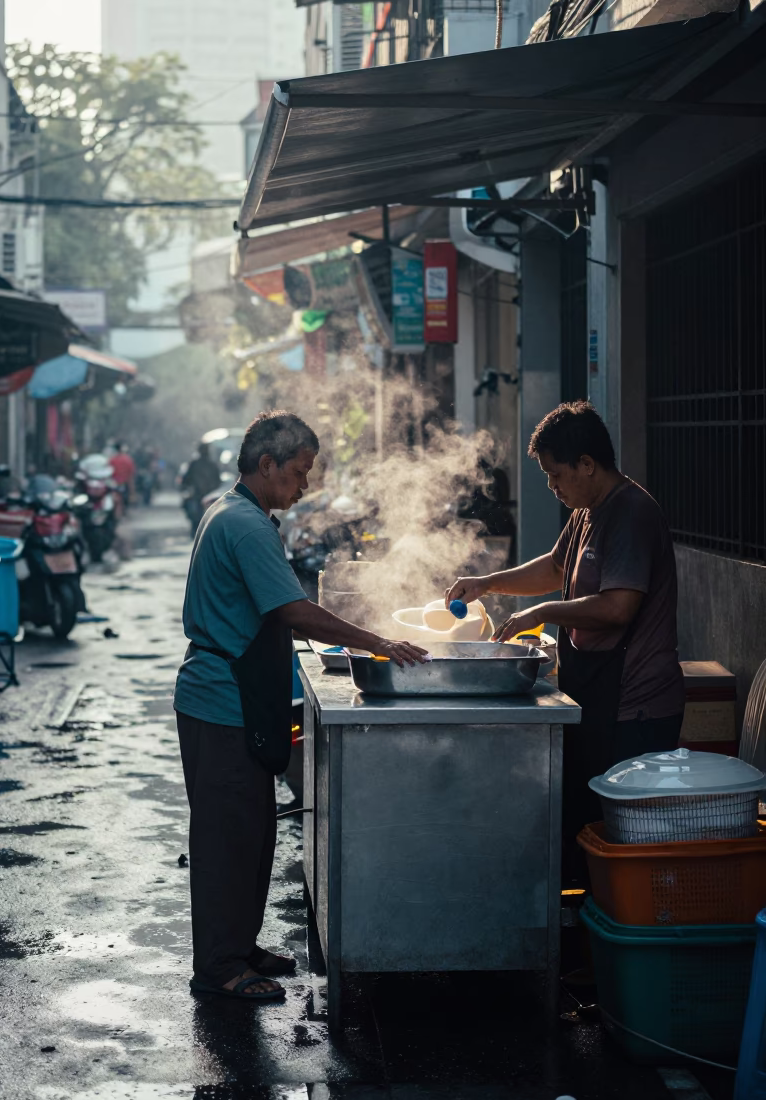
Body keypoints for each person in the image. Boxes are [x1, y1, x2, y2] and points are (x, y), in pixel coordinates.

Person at [173, 410, 426, 1003]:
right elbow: (292, 609)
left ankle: (239, 944)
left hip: (233, 699)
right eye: (299, 472)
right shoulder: (246, 524)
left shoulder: (239, 510)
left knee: (256, 830)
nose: (305, 485)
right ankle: (218, 967)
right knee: (227, 839)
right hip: (219, 702)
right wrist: (379, 642)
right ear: (267, 466)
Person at [446, 401, 684, 877]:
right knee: (586, 827)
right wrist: (488, 584)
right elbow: (555, 568)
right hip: (598, 695)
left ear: (588, 465)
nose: (553, 487)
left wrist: (540, 612)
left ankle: (608, 932)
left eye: (556, 476)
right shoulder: (586, 511)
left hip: (635, 706)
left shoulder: (631, 513)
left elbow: (619, 607)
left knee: (619, 836)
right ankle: (584, 923)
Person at [180, 443, 222, 534]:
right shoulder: (211, 464)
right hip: (206, 495)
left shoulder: (195, 464)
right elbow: (218, 481)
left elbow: (186, 479)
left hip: (201, 495)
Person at [109, 441, 136, 508]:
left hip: (114, 483)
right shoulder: (127, 459)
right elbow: (131, 472)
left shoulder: (112, 460)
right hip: (124, 482)